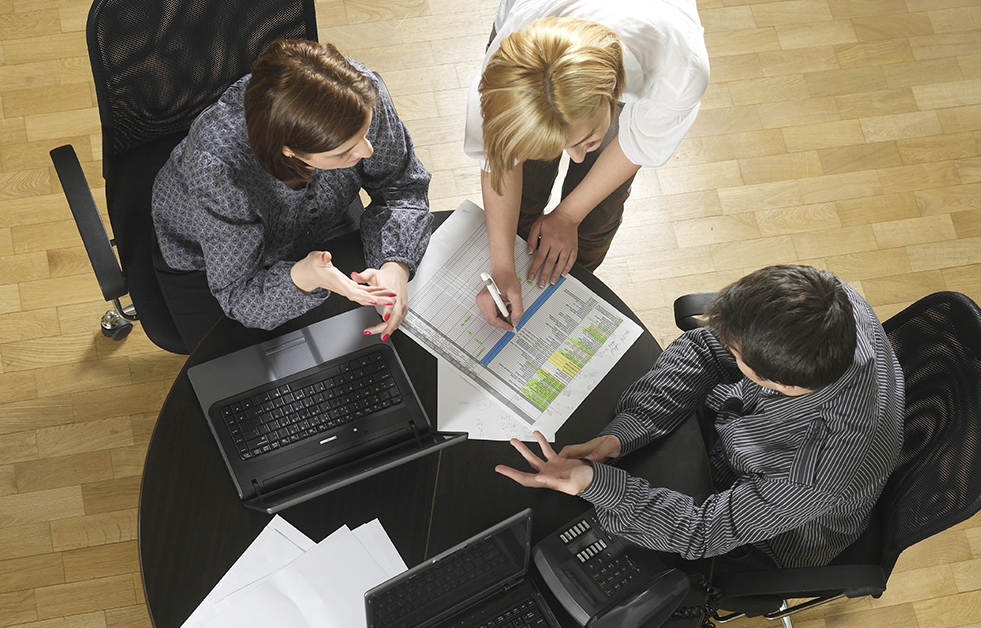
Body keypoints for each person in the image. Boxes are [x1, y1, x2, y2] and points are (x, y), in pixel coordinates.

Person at [496, 265, 905, 571]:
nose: (725, 345)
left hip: (769, 532)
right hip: (740, 432)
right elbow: (704, 350)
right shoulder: (827, 295)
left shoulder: (815, 471)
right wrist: (622, 434)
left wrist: (596, 484)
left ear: (780, 383)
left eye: (738, 356)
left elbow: (702, 531)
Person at [152, 39, 432, 352]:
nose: (368, 151)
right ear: (290, 151)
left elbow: (401, 183)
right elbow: (238, 293)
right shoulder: (218, 170)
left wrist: (394, 266)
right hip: (208, 259)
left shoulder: (360, 94)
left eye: (365, 134)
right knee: (240, 363)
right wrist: (303, 276)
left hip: (322, 218)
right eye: (344, 151)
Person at [465, 0, 709, 331]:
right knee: (522, 203)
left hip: (652, 53)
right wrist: (503, 268)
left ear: (612, 94)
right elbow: (501, 158)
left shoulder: (679, 68)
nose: (575, 158)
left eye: (587, 140)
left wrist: (568, 215)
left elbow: (638, 144)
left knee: (593, 222)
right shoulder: (507, 65)